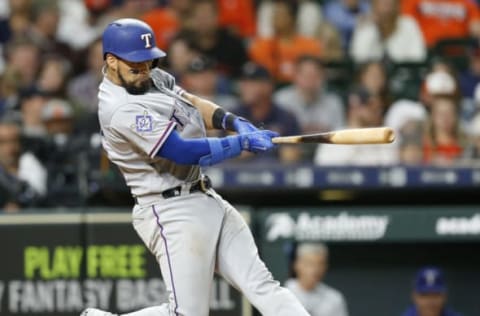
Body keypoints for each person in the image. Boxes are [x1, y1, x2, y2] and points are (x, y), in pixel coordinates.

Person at [81, 18, 311, 316]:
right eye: (136, 66)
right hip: (170, 209)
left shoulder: (148, 75)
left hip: (204, 196)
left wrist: (231, 122)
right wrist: (238, 144)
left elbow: (188, 102)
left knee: (262, 285)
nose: (144, 72)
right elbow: (180, 151)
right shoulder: (120, 107)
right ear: (111, 61)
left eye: (148, 63)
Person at [233, 62, 303, 163]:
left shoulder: (285, 117)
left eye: (252, 83)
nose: (245, 87)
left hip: (277, 174)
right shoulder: (234, 114)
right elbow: (239, 152)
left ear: (268, 86)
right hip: (235, 174)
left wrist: (252, 145)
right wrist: (271, 146)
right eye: (244, 82)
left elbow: (290, 156)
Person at [249, 0, 322, 83]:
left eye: (279, 15)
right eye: (274, 14)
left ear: (292, 18)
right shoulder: (261, 46)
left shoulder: (310, 46)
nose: (274, 18)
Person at [350, 0, 426, 63]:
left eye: (390, 3)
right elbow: (358, 57)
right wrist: (371, 28)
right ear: (374, 6)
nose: (386, 8)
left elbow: (418, 56)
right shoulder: (365, 23)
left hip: (403, 74)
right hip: (372, 76)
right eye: (382, 4)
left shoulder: (408, 24)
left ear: (397, 6)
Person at [285, 243, 349, 316]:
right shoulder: (280, 294)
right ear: (296, 265)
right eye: (309, 264)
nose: (315, 270)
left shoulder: (335, 299)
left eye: (320, 264)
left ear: (326, 267)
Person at [401, 0, 480, 49]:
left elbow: (476, 27)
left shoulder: (466, 4)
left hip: (458, 52)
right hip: (427, 51)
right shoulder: (413, 1)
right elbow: (405, 25)